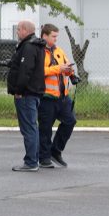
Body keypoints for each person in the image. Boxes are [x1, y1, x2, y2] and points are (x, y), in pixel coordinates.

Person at [6, 19, 46, 172]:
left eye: (18, 30)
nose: (17, 32)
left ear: (25, 30)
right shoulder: (37, 46)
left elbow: (25, 71)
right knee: (32, 127)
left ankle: (30, 162)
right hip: (33, 92)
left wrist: (19, 91)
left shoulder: (29, 47)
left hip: (26, 94)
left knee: (28, 128)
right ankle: (34, 159)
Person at [37, 23, 77, 169]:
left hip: (62, 97)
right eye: (53, 36)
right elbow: (39, 71)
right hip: (46, 97)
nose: (55, 39)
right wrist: (58, 69)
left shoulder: (59, 51)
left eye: (56, 36)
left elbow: (66, 66)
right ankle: (44, 157)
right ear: (45, 36)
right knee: (45, 129)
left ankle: (56, 150)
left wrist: (69, 72)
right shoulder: (38, 51)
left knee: (70, 121)